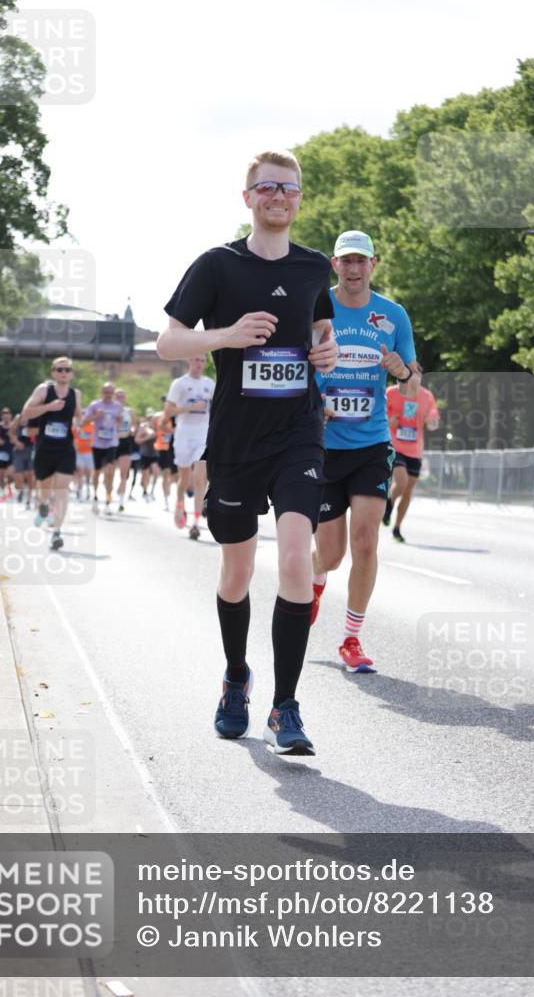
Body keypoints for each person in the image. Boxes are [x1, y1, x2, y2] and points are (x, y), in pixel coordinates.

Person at [158, 149, 338, 755]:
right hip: (235, 440)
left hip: (298, 433)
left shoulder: (316, 268)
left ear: (299, 199)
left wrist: (327, 352)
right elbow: (166, 341)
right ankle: (237, 676)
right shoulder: (217, 265)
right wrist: (225, 337)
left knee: (294, 561)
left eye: (288, 189)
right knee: (236, 573)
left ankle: (285, 707)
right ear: (248, 199)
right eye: (266, 187)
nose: (278, 196)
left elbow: (321, 330)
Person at [312, 230, 418, 673]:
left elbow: (412, 378)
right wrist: (314, 406)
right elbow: (298, 365)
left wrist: (402, 368)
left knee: (366, 542)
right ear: (335, 265)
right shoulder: (318, 308)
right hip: (322, 447)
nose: (354, 269)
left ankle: (351, 638)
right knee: (332, 554)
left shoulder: (392, 315)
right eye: (346, 261)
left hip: (372, 443)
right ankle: (314, 583)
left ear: (374, 264)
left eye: (362, 261)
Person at [22, 357, 82, 551]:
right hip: (44, 449)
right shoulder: (43, 390)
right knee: (45, 491)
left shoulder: (76, 394)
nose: (64, 372)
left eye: (67, 369)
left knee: (62, 490)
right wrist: (48, 407)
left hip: (65, 449)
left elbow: (78, 415)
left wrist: (80, 424)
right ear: (53, 373)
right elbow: (26, 413)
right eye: (60, 369)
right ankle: (43, 506)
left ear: (72, 373)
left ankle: (57, 532)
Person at [385, 370, 440, 541]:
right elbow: (378, 414)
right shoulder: (391, 392)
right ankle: (389, 505)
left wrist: (432, 423)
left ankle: (397, 528)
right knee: (401, 482)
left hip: (415, 449)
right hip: (395, 445)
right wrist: (389, 421)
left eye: (418, 376)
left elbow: (433, 418)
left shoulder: (426, 396)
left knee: (408, 491)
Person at [164, 355, 215, 539]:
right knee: (184, 480)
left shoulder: (210, 383)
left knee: (201, 478)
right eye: (196, 360)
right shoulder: (179, 384)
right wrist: (190, 408)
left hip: (202, 434)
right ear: (189, 361)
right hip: (184, 434)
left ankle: (196, 523)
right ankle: (179, 503)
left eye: (202, 360)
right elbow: (168, 411)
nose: (199, 364)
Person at [82, 382, 123, 515]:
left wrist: (119, 421)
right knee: (97, 472)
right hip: (97, 443)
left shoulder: (118, 406)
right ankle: (95, 497)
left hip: (111, 442)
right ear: (102, 392)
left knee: (109, 472)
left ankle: (108, 500)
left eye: (111, 392)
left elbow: (119, 424)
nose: (108, 395)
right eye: (106, 392)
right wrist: (95, 417)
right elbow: (84, 422)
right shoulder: (95, 405)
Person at [114, 388, 137, 512]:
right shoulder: (110, 410)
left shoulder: (130, 411)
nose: (120, 398)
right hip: (112, 442)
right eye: (118, 396)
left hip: (125, 441)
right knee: (110, 472)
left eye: (122, 396)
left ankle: (121, 501)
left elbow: (134, 425)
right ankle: (108, 494)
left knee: (124, 473)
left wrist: (132, 430)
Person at [153, 396, 177, 511]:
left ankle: (170, 491)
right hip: (162, 448)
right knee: (165, 473)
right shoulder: (158, 416)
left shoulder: (176, 416)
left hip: (174, 447)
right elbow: (153, 430)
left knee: (173, 476)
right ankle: (166, 500)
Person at [8, 412, 36, 506]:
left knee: (31, 475)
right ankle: (21, 490)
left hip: (32, 449)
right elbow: (10, 432)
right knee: (19, 474)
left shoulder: (37, 416)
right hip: (19, 450)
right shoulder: (19, 417)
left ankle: (29, 498)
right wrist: (17, 442)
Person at [135, 410, 160, 500]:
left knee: (156, 472)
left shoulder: (158, 427)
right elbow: (137, 440)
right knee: (145, 475)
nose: (150, 419)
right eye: (149, 417)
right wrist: (147, 437)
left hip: (155, 453)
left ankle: (152, 491)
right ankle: (145, 491)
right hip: (144, 453)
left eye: (152, 417)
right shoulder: (143, 427)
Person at [73, 418, 94, 500]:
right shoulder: (76, 428)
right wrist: (74, 445)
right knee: (80, 472)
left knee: (88, 474)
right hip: (79, 454)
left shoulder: (92, 426)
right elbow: (72, 438)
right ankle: (80, 491)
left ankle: (88, 489)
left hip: (89, 453)